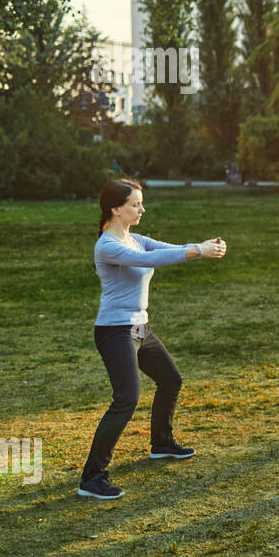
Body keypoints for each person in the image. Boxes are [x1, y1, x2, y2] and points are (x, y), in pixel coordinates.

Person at [79, 179, 227, 500]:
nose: (142, 209)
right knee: (126, 400)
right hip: (115, 332)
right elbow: (152, 261)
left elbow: (166, 250)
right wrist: (198, 251)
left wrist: (200, 247)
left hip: (139, 329)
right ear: (116, 209)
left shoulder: (135, 239)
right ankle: (92, 477)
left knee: (170, 379)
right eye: (135, 204)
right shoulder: (107, 245)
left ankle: (161, 444)